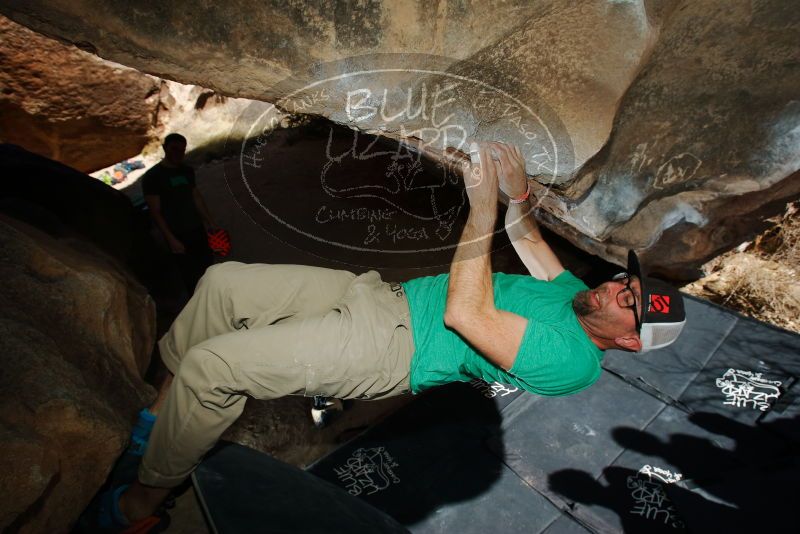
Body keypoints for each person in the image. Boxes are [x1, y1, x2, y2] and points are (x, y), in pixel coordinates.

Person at [95, 142, 686, 531]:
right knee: (224, 283)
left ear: (630, 343)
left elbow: (466, 315)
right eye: (624, 284)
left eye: (628, 304)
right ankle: (160, 414)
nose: (614, 290)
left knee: (215, 369)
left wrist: (479, 211)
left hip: (394, 347)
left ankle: (146, 501)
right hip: (381, 296)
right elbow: (530, 243)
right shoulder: (574, 299)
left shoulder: (571, 362)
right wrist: (517, 194)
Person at [142, 133, 217, 294]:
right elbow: (155, 212)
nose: (178, 153)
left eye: (182, 150)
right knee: (190, 277)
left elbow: (196, 196)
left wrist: (210, 222)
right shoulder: (152, 177)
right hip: (177, 233)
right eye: (174, 149)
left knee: (209, 269)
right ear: (164, 148)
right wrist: (171, 239)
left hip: (196, 228)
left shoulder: (186, 170)